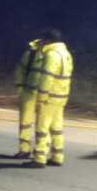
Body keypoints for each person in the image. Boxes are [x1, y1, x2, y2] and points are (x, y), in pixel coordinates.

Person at [27, 29, 73, 168]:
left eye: (43, 39)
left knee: (42, 128)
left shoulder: (51, 55)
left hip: (49, 97)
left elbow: (47, 78)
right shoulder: (66, 53)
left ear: (48, 40)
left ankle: (39, 158)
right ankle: (57, 156)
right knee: (56, 128)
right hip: (61, 96)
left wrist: (41, 97)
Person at [12, 37, 43, 158]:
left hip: (44, 95)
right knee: (25, 122)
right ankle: (24, 150)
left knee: (43, 125)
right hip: (28, 93)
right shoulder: (29, 55)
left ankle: (42, 152)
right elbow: (19, 71)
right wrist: (20, 88)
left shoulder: (53, 55)